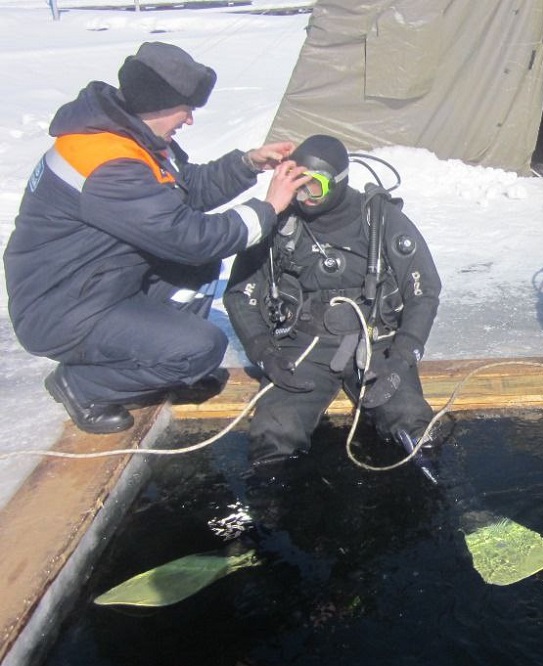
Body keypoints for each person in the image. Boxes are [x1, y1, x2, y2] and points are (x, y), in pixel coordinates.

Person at [3, 41, 309, 434]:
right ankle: (84, 385)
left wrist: (248, 164)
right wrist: (269, 208)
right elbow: (192, 237)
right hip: (61, 309)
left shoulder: (129, 134)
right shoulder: (108, 164)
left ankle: (166, 366)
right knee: (202, 346)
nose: (190, 121)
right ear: (158, 102)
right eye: (187, 110)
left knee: (196, 268)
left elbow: (185, 190)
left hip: (92, 283)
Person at [223, 135, 442, 475]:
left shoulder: (379, 218)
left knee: (410, 420)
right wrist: (264, 351)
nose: (305, 198)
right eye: (298, 185)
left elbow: (423, 290)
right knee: (274, 431)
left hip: (375, 341)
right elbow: (240, 295)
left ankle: (440, 494)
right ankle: (268, 513)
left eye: (316, 187)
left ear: (339, 181)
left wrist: (403, 355)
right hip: (305, 345)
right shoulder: (279, 223)